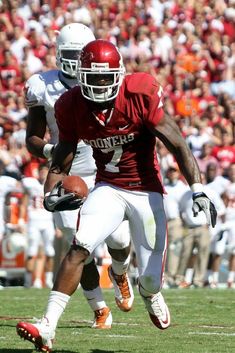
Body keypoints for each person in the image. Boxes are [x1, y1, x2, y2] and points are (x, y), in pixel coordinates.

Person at [16, 40, 217, 352]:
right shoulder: (71, 104)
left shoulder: (140, 92)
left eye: (104, 77)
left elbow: (177, 143)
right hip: (108, 186)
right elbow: (62, 157)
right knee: (79, 246)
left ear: (119, 74)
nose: (98, 84)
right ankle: (47, 326)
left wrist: (198, 189)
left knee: (151, 280)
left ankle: (149, 292)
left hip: (146, 189)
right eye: (92, 78)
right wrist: (50, 193)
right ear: (80, 76)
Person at [22, 24, 133, 329]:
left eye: (79, 54)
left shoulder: (108, 79)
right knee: (79, 244)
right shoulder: (41, 86)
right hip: (66, 172)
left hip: (103, 170)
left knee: (119, 239)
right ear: (58, 54)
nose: (73, 61)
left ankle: (120, 271)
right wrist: (50, 151)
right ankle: (98, 307)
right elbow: (31, 138)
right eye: (68, 54)